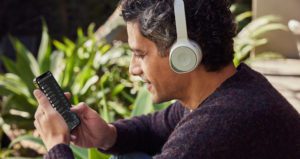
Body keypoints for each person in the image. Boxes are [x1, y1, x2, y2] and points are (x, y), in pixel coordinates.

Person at [33, 0, 300, 158]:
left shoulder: (215, 130)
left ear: (184, 54)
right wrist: (109, 135)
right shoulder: (233, 90)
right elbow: (155, 125)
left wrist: (57, 146)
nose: (133, 69)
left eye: (139, 54)